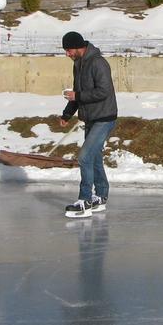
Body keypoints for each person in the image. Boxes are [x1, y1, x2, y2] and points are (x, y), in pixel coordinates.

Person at [59, 30, 117, 217]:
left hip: (104, 118)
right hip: (91, 117)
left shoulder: (98, 63)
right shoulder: (78, 64)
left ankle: (84, 201)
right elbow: (77, 92)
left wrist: (78, 96)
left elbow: (104, 91)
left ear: (78, 47)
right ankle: (100, 196)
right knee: (94, 157)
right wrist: (67, 114)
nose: (67, 54)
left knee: (84, 157)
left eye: (68, 50)